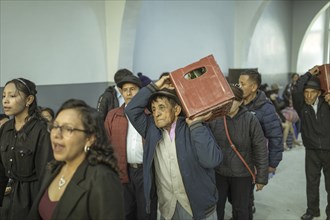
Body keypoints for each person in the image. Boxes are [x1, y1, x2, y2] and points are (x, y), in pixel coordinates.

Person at [125, 75, 223, 220]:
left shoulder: (194, 127)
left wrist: (196, 125)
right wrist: (155, 86)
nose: (156, 113)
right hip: (168, 208)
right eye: (153, 109)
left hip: (198, 208)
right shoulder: (151, 129)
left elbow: (212, 160)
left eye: (161, 107)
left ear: (176, 110)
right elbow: (131, 109)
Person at [27, 99, 125, 220]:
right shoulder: (53, 168)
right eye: (55, 126)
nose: (57, 134)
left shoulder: (102, 178)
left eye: (68, 129)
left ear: (90, 138)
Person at [209, 84, 268, 220]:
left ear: (241, 101)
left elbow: (260, 149)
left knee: (241, 209)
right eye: (226, 99)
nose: (229, 103)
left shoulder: (250, 120)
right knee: (217, 207)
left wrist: (261, 178)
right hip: (219, 172)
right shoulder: (215, 119)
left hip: (242, 174)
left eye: (233, 99)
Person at [104, 75, 157, 220]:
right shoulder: (113, 116)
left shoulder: (150, 115)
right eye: (125, 90)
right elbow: (106, 144)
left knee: (145, 212)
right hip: (122, 171)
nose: (128, 93)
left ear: (141, 92)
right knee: (126, 212)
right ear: (121, 92)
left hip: (144, 172)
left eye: (132, 89)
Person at [0, 78, 53, 220]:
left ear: (29, 100)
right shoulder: (5, 128)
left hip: (32, 199)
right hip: (9, 200)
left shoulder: (41, 130)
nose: (5, 100)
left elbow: (46, 176)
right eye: (3, 96)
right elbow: (1, 171)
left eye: (12, 96)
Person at [238, 70, 283, 217]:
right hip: (234, 159)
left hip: (251, 161)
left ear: (253, 87)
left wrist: (272, 163)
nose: (239, 87)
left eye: (242, 84)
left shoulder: (265, 108)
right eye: (238, 83)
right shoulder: (235, 103)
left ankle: (246, 211)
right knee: (235, 196)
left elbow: (276, 136)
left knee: (244, 197)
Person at [291, 66, 330, 220]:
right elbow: (296, 90)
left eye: (312, 92)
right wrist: (308, 74)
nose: (308, 96)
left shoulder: (327, 104)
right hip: (312, 150)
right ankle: (312, 211)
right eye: (306, 93)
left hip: (329, 149)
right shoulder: (302, 107)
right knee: (312, 183)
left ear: (319, 93)